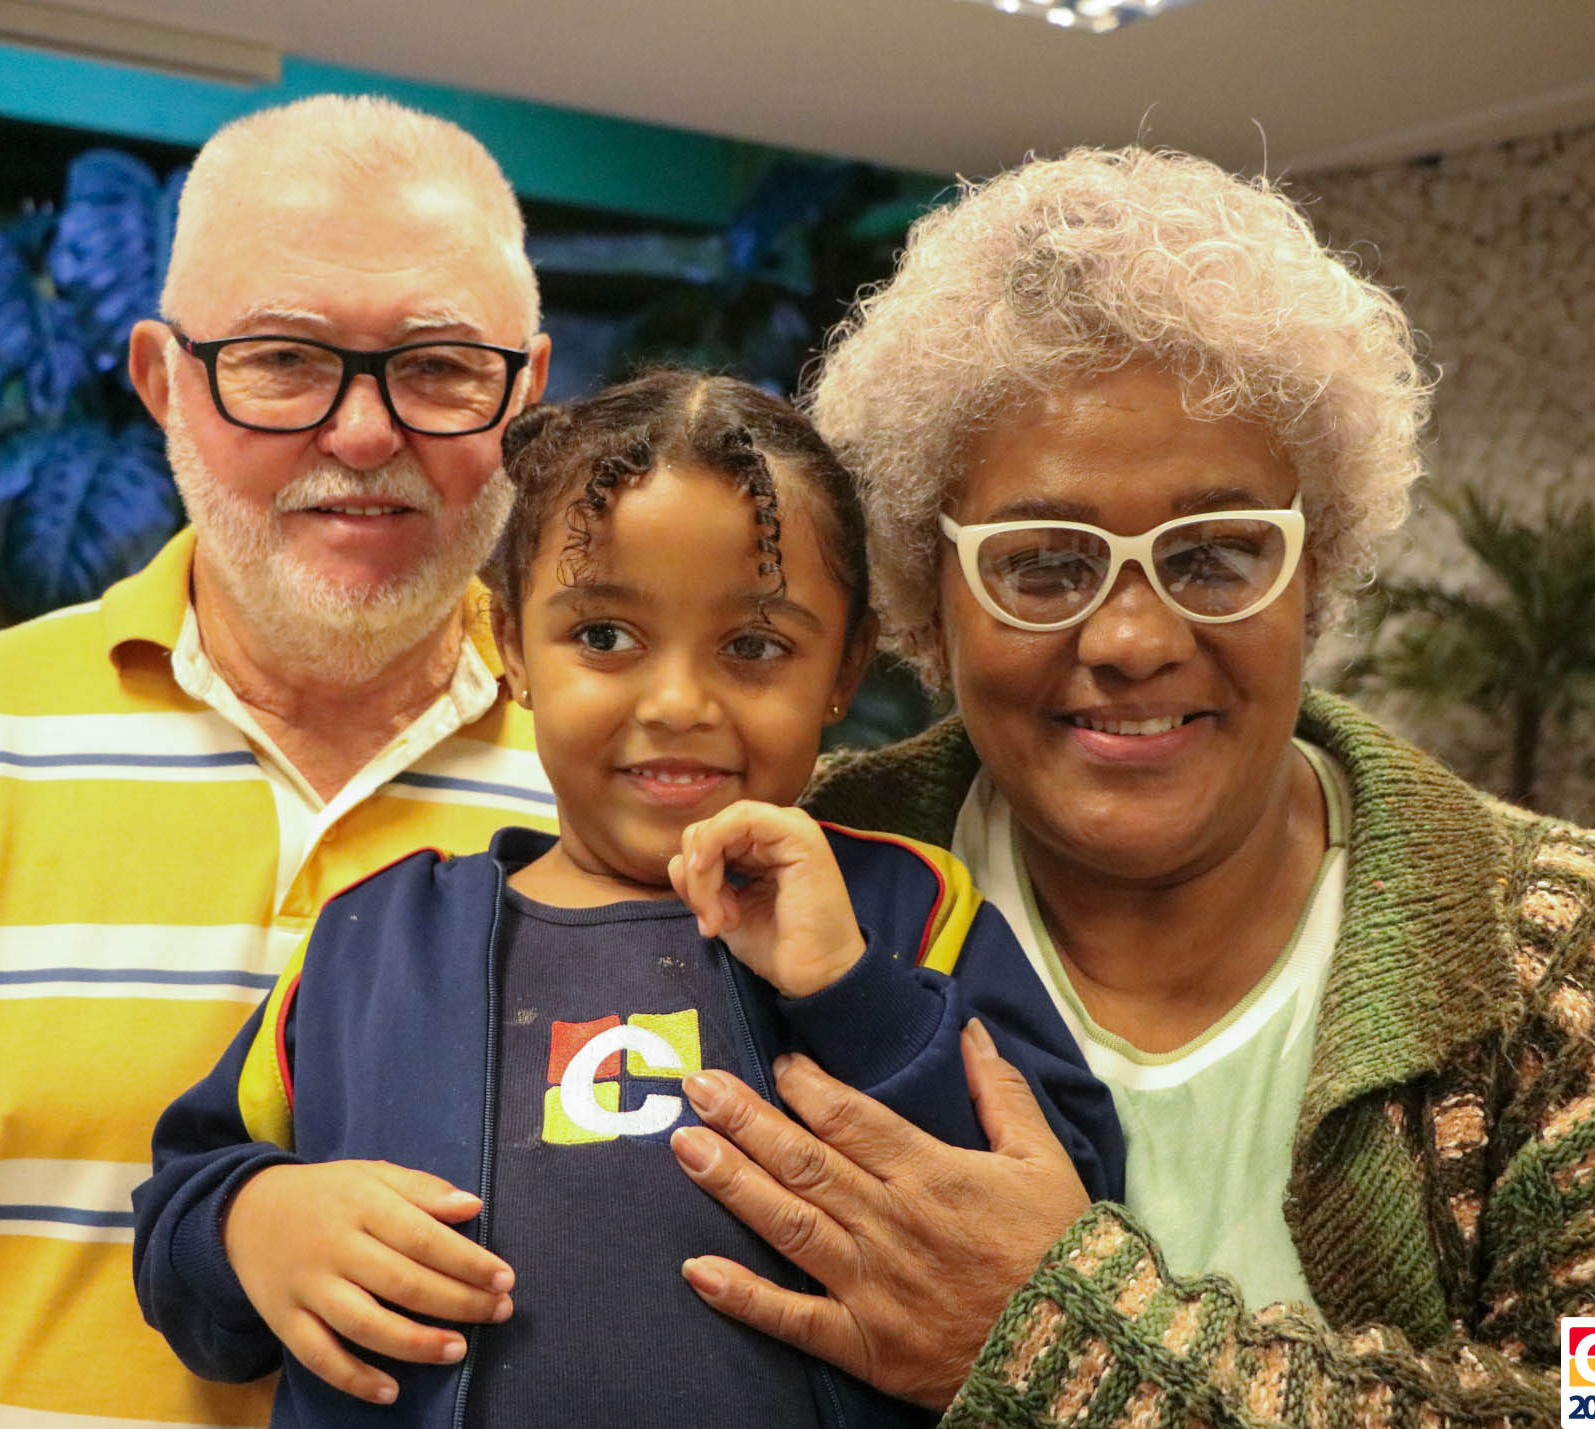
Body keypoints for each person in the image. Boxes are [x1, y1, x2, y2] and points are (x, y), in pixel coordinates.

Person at [663, 147, 1595, 1425]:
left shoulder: (1566, 952)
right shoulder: (779, 881)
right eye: (1044, 564)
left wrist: (1066, 1347)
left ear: (1313, 574)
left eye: (1213, 556)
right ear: (928, 589)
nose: (1132, 639)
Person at [0, 93, 556, 1429]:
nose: (363, 432)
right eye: (284, 358)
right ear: (161, 381)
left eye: (441, 366)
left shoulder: (633, 788)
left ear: (527, 395)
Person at [132, 370, 1125, 1429]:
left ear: (844, 669)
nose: (678, 703)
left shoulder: (909, 910)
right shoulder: (375, 942)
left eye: (754, 646)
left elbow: (1068, 1222)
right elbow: (181, 1216)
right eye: (604, 636)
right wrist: (253, 1223)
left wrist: (852, 994)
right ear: (512, 646)